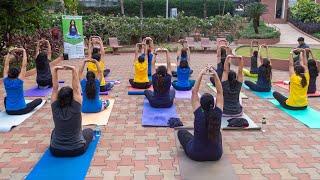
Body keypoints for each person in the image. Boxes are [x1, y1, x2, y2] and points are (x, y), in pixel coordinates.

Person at [177, 66, 223, 161]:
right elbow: (220, 93)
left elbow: (194, 92)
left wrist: (201, 74)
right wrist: (215, 75)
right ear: (213, 104)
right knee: (218, 134)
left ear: (200, 104)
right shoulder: (217, 114)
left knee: (181, 132)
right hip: (216, 155)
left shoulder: (199, 114)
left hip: (196, 154)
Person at [50, 65, 94, 157]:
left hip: (56, 150)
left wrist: (55, 70)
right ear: (72, 97)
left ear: (59, 97)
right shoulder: (76, 107)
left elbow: (54, 89)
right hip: (77, 149)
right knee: (89, 131)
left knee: (54, 131)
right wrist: (73, 69)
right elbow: (76, 89)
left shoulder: (55, 107)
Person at [3, 48, 43, 115]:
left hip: (9, 111)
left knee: (6, 98)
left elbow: (6, 65)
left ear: (8, 73)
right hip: (21, 110)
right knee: (39, 100)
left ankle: (11, 107)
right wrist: (24, 51)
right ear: (18, 74)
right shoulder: (19, 81)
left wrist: (9, 53)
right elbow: (24, 66)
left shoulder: (5, 80)